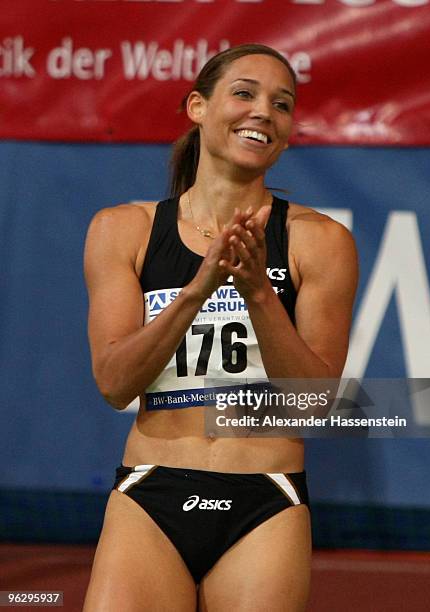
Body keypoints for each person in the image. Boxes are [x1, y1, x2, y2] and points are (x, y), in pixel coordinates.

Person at [82, 43, 358, 612]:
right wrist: (197, 291)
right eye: (244, 93)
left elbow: (315, 406)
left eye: (282, 104)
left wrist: (257, 292)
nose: (264, 112)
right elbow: (113, 384)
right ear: (197, 107)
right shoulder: (122, 230)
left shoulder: (320, 241)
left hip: (264, 500)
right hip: (150, 491)